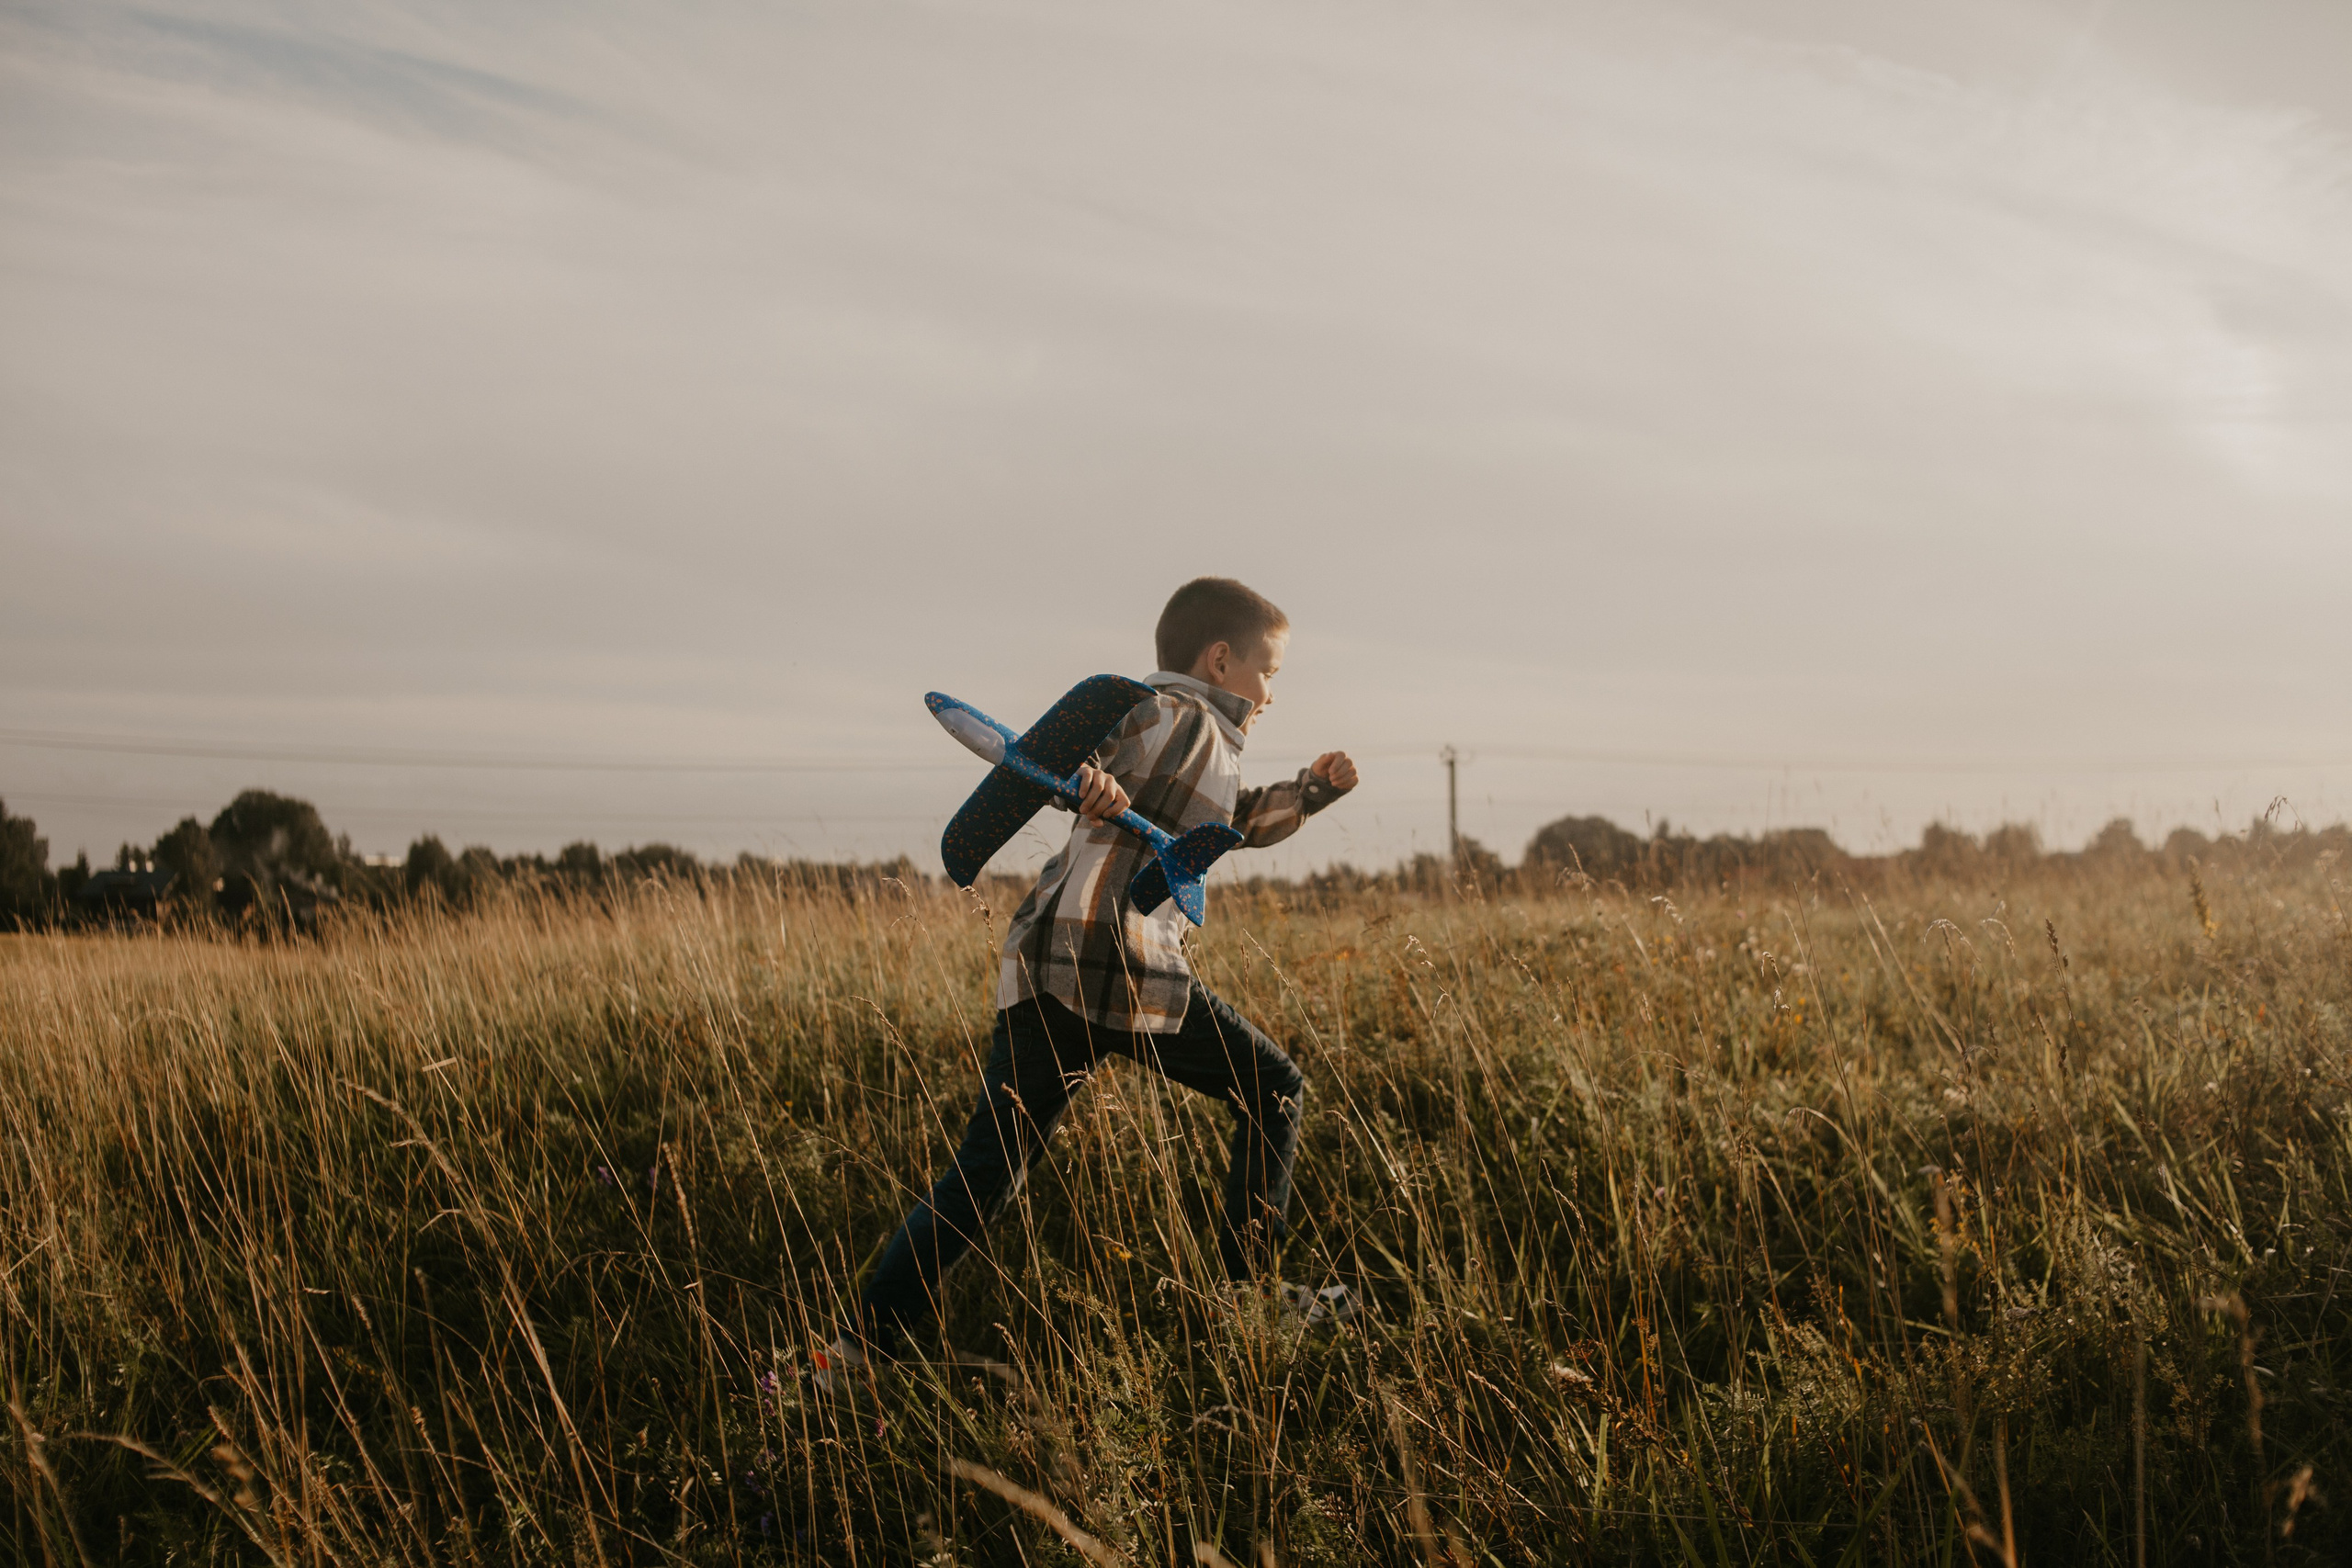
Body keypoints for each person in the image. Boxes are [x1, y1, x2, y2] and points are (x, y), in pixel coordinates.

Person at [817, 577, 1358, 1389]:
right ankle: (1250, 1296)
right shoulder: (1162, 712)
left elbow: (1229, 827)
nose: (1273, 692)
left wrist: (1311, 792)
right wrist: (1088, 777)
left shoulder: (1210, 743)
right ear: (1221, 659)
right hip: (1119, 962)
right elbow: (1073, 751)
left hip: (1048, 965)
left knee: (987, 1170)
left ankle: (858, 1352)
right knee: (1274, 1086)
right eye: (1269, 671)